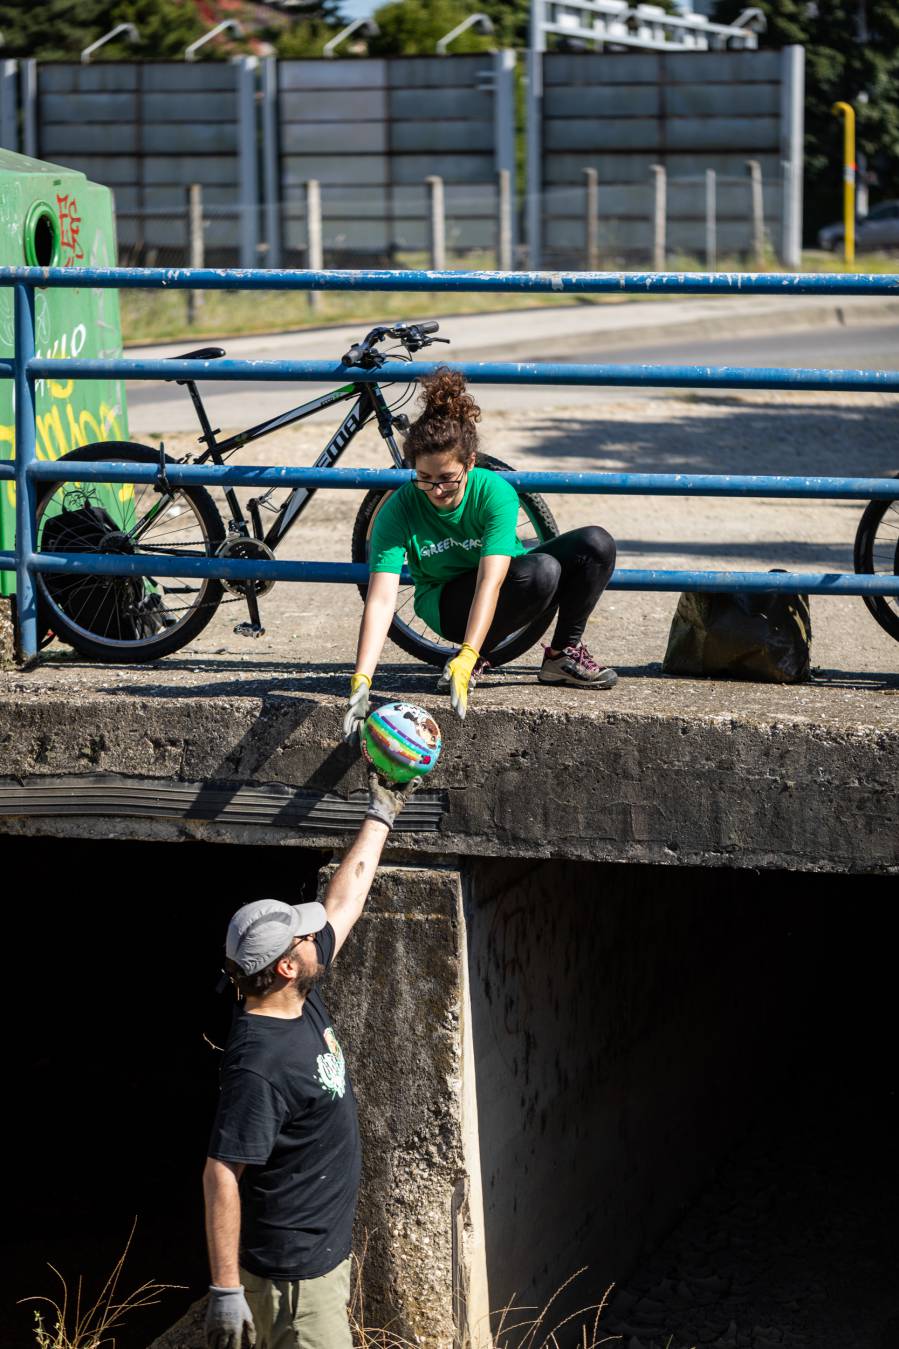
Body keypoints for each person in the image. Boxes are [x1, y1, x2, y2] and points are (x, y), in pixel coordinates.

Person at [203, 772, 416, 1349]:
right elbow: (221, 1171)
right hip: (292, 1285)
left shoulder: (294, 996)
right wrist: (225, 1291)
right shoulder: (261, 1065)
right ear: (287, 966)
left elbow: (343, 900)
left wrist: (382, 810)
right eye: (302, 936)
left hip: (318, 1263)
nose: (314, 930)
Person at [343, 368, 617, 737]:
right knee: (542, 571)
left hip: (503, 586)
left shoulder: (494, 492)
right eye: (424, 478)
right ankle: (468, 661)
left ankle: (561, 656)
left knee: (594, 543)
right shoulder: (400, 507)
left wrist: (470, 652)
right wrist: (362, 679)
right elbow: (380, 599)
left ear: (470, 463)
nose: (436, 491)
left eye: (447, 479)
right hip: (445, 603)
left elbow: (491, 582)